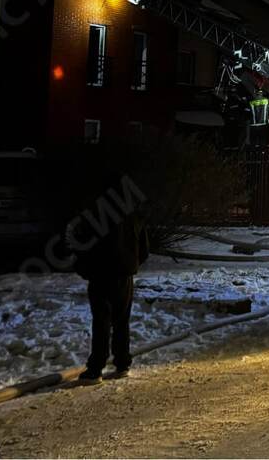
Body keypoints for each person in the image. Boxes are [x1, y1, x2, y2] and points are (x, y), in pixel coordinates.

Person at [66, 163, 150, 384]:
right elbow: (144, 248)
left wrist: (83, 268)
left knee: (101, 320)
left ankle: (96, 368)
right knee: (122, 320)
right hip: (124, 274)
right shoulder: (134, 213)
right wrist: (131, 264)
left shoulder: (96, 213)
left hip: (101, 273)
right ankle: (122, 363)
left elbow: (85, 246)